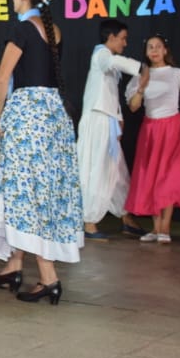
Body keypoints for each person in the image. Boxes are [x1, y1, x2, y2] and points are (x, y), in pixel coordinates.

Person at [0, 0, 83, 305]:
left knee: (25, 192)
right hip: (52, 115)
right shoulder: (53, 29)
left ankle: (48, 277)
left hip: (27, 115)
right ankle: (14, 265)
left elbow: (8, 77)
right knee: (38, 190)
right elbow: (33, 70)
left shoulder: (22, 28)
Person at [124, 34, 180, 244]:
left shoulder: (176, 73)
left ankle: (165, 228)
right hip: (150, 130)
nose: (154, 50)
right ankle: (156, 227)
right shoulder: (142, 75)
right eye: (150, 47)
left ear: (165, 50)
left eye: (158, 46)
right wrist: (141, 86)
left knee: (167, 178)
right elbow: (133, 106)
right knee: (151, 177)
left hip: (171, 129)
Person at [76, 20, 146, 240]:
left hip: (107, 120)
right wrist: (142, 69)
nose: (125, 43)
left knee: (116, 171)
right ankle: (89, 222)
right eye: (123, 38)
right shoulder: (101, 55)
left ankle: (126, 218)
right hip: (97, 120)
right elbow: (117, 62)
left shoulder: (107, 61)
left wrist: (118, 117)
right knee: (97, 169)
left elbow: (109, 93)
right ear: (112, 37)